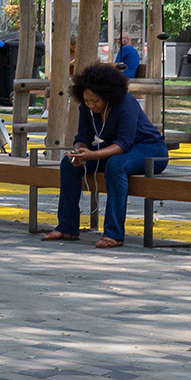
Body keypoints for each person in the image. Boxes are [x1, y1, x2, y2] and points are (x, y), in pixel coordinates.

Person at [42, 62, 169, 250]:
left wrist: (93, 155)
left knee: (116, 165)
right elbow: (82, 138)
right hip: (117, 149)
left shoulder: (127, 102)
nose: (91, 105)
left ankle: (113, 233)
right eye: (87, 100)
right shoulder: (86, 108)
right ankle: (67, 227)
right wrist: (79, 152)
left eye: (96, 101)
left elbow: (124, 144)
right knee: (68, 164)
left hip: (150, 149)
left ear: (108, 95)